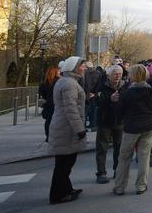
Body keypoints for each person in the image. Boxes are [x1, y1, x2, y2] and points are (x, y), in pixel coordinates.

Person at [113, 64, 152, 196]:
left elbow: (119, 111)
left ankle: (120, 187)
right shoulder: (150, 90)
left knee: (124, 158)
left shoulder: (127, 92)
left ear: (132, 76)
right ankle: (141, 185)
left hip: (131, 128)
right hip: (148, 126)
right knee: (144, 158)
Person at [48, 57, 87, 205]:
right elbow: (71, 109)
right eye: (82, 65)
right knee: (64, 164)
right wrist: (80, 129)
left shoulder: (65, 81)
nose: (84, 68)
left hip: (64, 127)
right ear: (74, 68)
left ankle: (67, 189)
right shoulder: (69, 83)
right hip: (67, 128)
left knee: (65, 163)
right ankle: (57, 195)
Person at [94, 64, 126, 184]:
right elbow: (96, 102)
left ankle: (117, 169)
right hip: (104, 121)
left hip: (119, 121)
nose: (118, 76)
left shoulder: (124, 86)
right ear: (109, 75)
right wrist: (109, 100)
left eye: (120, 74)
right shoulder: (102, 85)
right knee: (102, 148)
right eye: (115, 74)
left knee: (119, 147)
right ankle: (101, 173)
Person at [39, 64, 61, 142]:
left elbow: (41, 96)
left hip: (47, 105)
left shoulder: (44, 83)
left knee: (48, 121)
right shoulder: (59, 82)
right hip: (56, 105)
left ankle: (48, 136)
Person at [84, 64, 104, 132]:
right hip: (93, 95)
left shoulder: (84, 73)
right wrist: (95, 94)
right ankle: (93, 125)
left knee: (85, 112)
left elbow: (84, 84)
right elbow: (100, 85)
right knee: (93, 111)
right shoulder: (98, 74)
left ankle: (87, 126)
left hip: (86, 95)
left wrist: (88, 93)